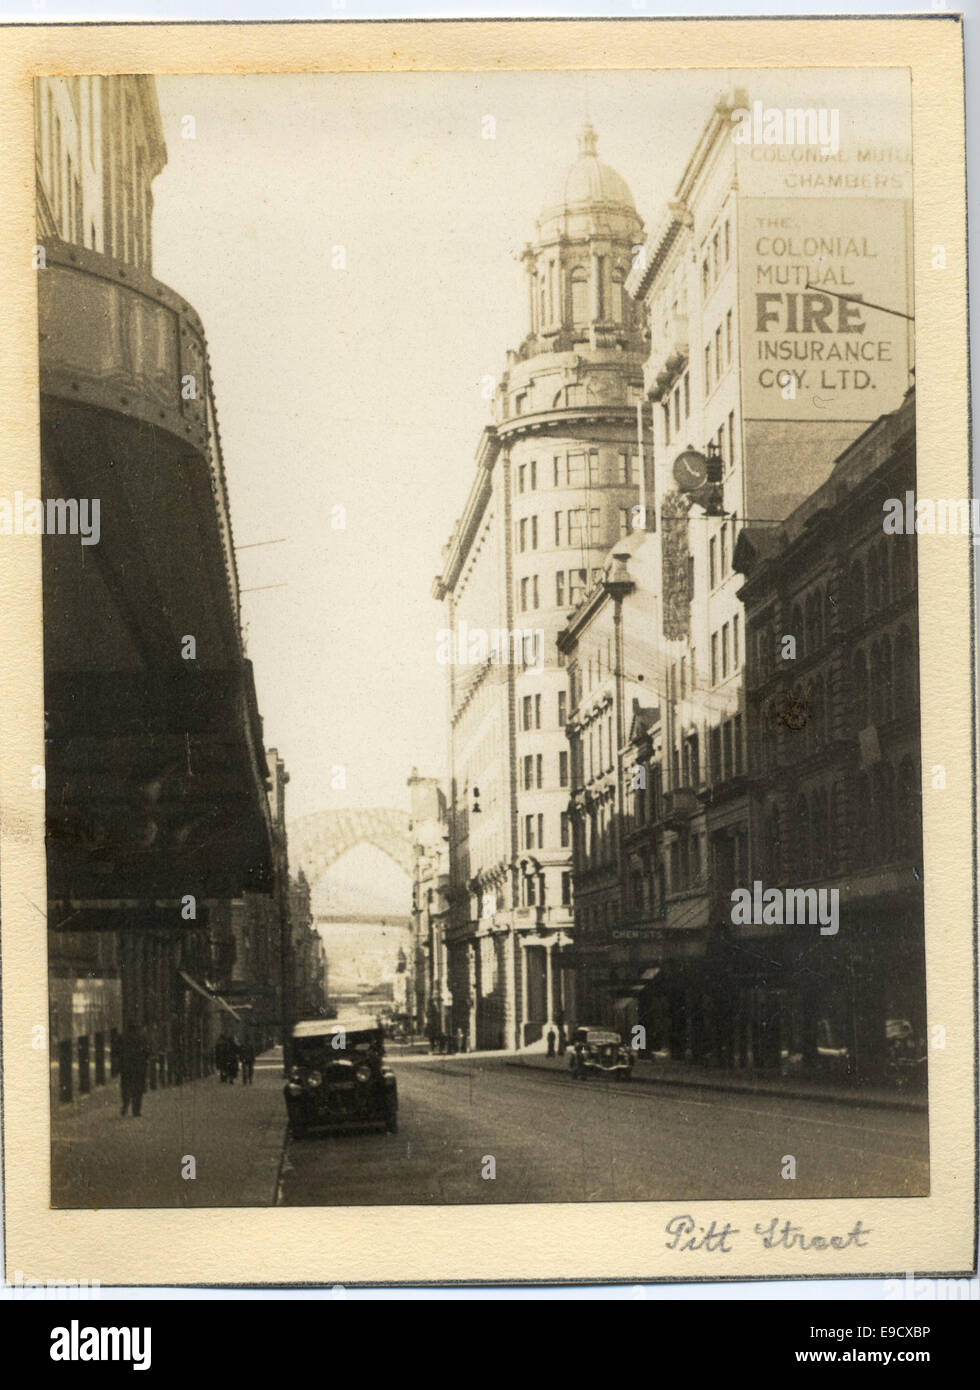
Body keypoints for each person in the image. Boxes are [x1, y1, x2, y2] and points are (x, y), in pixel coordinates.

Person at [119, 1025, 149, 1118]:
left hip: (126, 1067)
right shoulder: (142, 1037)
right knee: (138, 1089)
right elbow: (147, 1051)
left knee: (125, 1086)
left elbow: (117, 1051)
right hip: (139, 1067)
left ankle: (125, 1103)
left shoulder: (122, 1037)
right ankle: (136, 1110)